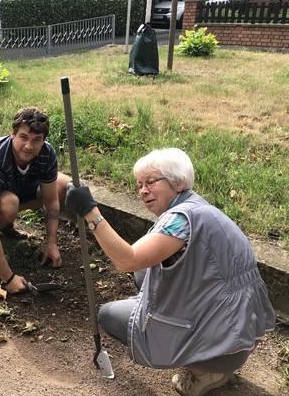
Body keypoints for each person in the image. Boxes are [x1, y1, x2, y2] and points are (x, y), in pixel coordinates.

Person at [65, 148, 275, 396]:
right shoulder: (199, 208)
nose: (143, 190)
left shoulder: (180, 220)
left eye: (151, 182)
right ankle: (207, 357)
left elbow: (127, 260)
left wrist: (91, 212)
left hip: (222, 349)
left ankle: (203, 373)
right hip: (238, 334)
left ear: (178, 182)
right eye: (139, 184)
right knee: (145, 273)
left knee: (109, 314)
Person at [0, 107, 71, 294]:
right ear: (12, 134)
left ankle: (4, 222)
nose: (29, 146)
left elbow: (50, 201)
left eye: (36, 140)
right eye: (23, 137)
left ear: (44, 140)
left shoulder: (46, 153)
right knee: (9, 205)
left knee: (62, 185)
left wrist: (51, 242)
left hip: (14, 183)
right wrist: (8, 278)